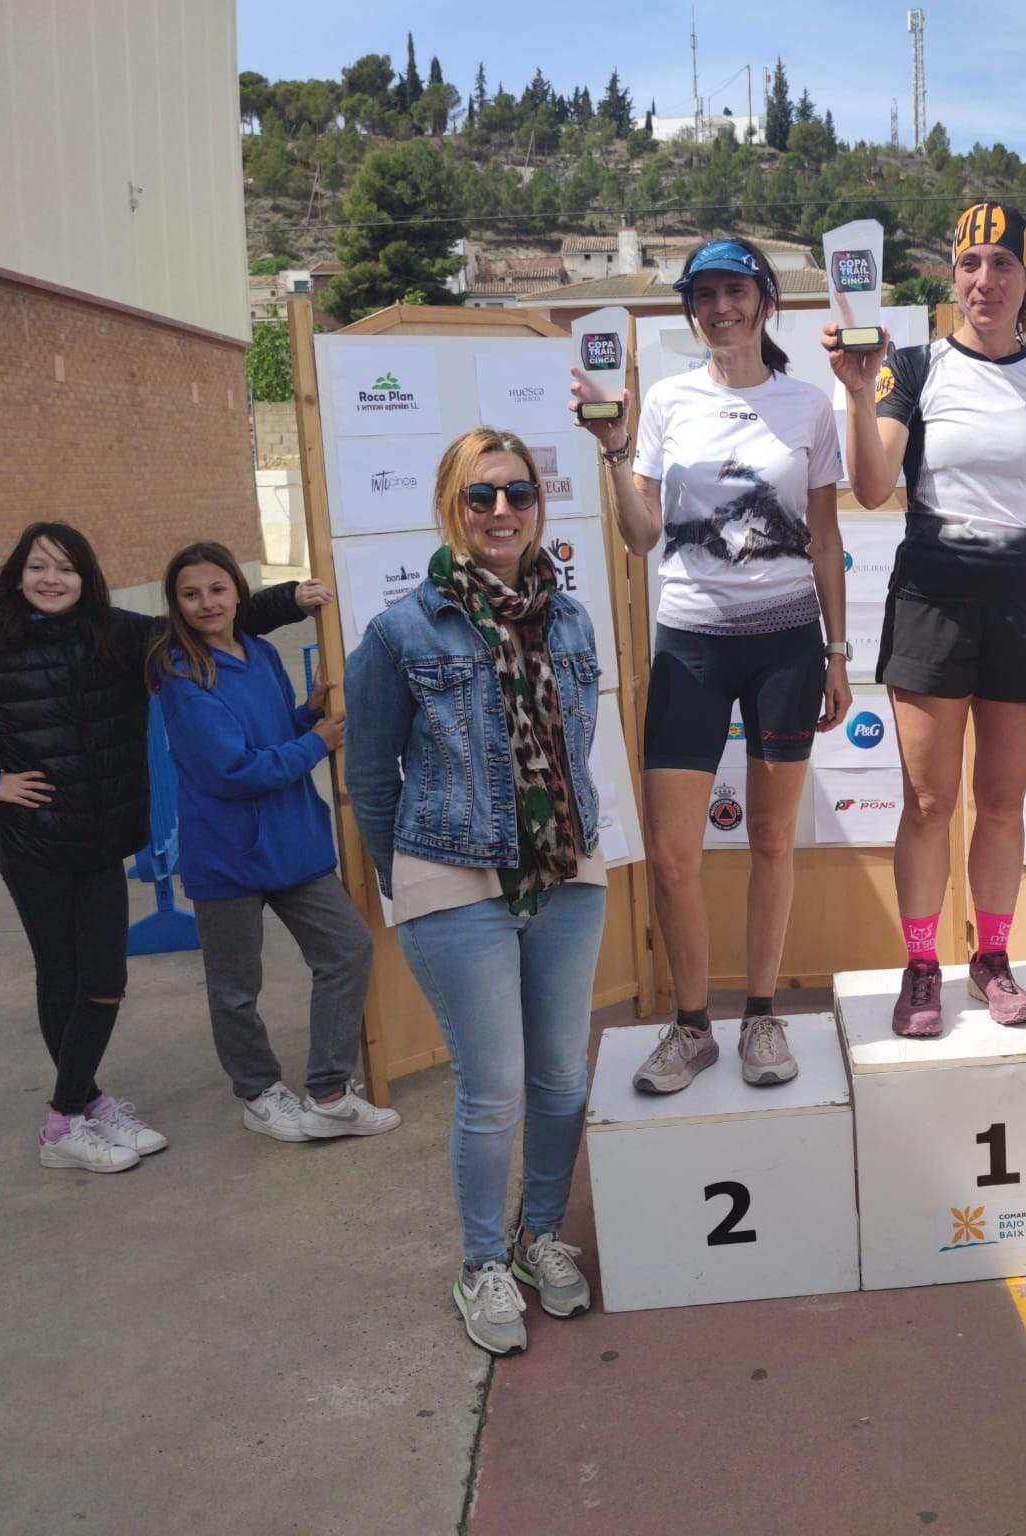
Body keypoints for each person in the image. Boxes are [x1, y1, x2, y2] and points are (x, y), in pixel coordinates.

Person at [344, 428, 609, 1357]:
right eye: (481, 496)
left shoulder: (571, 619)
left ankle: (540, 1238)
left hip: (568, 875)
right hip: (453, 878)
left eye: (519, 494)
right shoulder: (400, 631)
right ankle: (481, 1262)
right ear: (451, 508)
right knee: (494, 1088)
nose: (503, 511)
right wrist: (408, 874)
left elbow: (574, 753)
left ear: (540, 506)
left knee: (560, 1077)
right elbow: (371, 778)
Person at [0, 521, 325, 1174]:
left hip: (103, 840)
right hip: (35, 846)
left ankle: (82, 1103)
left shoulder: (123, 636)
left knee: (103, 982)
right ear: (18, 575)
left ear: (86, 577)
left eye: (67, 568)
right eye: (39, 567)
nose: (52, 580)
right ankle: (64, 1124)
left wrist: (292, 596)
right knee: (64, 976)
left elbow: (209, 620)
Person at [590, 239, 851, 1095]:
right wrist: (612, 449)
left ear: (764, 302)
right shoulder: (665, 401)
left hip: (786, 644)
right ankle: (693, 1024)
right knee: (674, 855)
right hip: (691, 644)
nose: (720, 309)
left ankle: (764, 1015)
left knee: (773, 840)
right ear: (691, 310)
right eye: (704, 296)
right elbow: (639, 533)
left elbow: (826, 537)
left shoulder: (807, 405)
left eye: (735, 292)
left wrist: (838, 653)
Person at [824, 201, 1026, 1038]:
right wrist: (860, 396)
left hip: (1021, 603)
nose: (986, 279)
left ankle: (993, 961)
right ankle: (919, 967)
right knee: (930, 804)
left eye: (1003, 263)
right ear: (952, 275)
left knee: (1004, 802)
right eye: (971, 262)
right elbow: (871, 489)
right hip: (932, 596)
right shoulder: (913, 366)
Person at [149, 541, 398, 1144]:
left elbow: (264, 736)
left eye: (217, 589)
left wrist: (303, 714)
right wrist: (317, 741)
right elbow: (231, 770)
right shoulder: (182, 675)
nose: (207, 602)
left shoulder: (259, 652)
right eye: (191, 594)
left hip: (292, 844)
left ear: (238, 592)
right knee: (236, 989)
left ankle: (330, 1091)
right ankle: (258, 1093)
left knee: (346, 950)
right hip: (228, 855)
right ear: (176, 605)